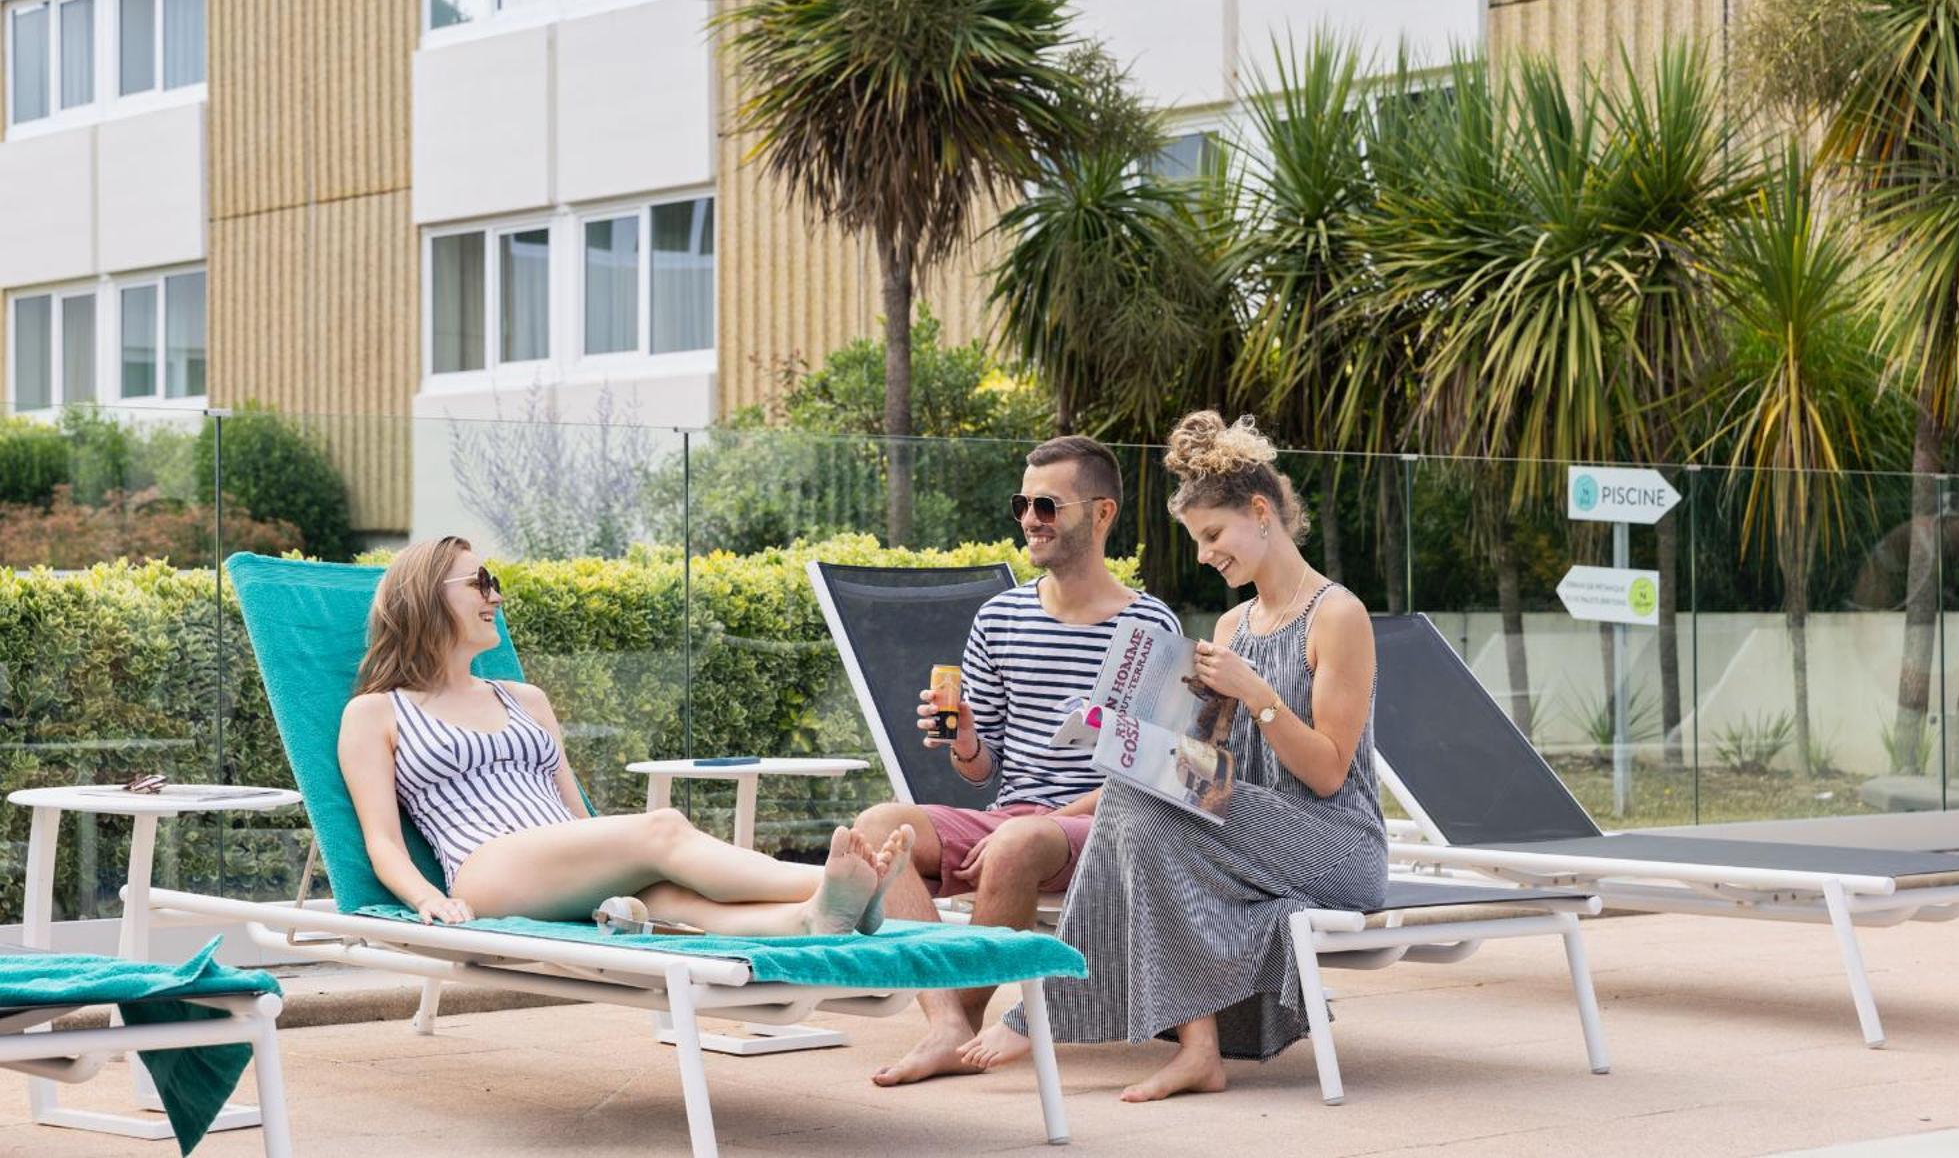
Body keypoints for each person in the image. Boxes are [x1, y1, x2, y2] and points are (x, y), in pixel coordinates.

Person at [959, 411, 1387, 1103]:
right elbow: (1207, 766)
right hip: (1259, 834)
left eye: (1212, 535)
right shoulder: (1230, 625)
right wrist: (1113, 758)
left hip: (1338, 845)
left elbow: (1330, 771)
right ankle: (1198, 1051)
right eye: (1197, 540)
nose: (1205, 554)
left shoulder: (1338, 614)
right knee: (1137, 794)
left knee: (1139, 802)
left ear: (1261, 512)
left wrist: (1255, 693)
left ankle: (1045, 1006)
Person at [337, 535, 914, 935]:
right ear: (426, 596)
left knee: (670, 894)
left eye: (494, 582)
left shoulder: (525, 699)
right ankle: (831, 881)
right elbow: (383, 841)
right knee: (661, 829)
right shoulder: (377, 713)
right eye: (480, 581)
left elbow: (572, 812)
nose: (496, 595)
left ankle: (814, 916)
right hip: (486, 870)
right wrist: (428, 900)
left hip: (562, 857)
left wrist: (621, 864)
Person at [852, 436, 1182, 1086]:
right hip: (1015, 815)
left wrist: (1042, 820)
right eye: (1022, 502)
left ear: (1102, 513)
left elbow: (1157, 773)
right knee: (877, 824)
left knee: (1018, 839)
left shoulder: (1151, 627)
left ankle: (958, 1026)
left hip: (1106, 823)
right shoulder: (999, 617)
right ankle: (948, 1021)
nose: (1030, 517)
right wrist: (969, 739)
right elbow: (983, 772)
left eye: (1048, 504)